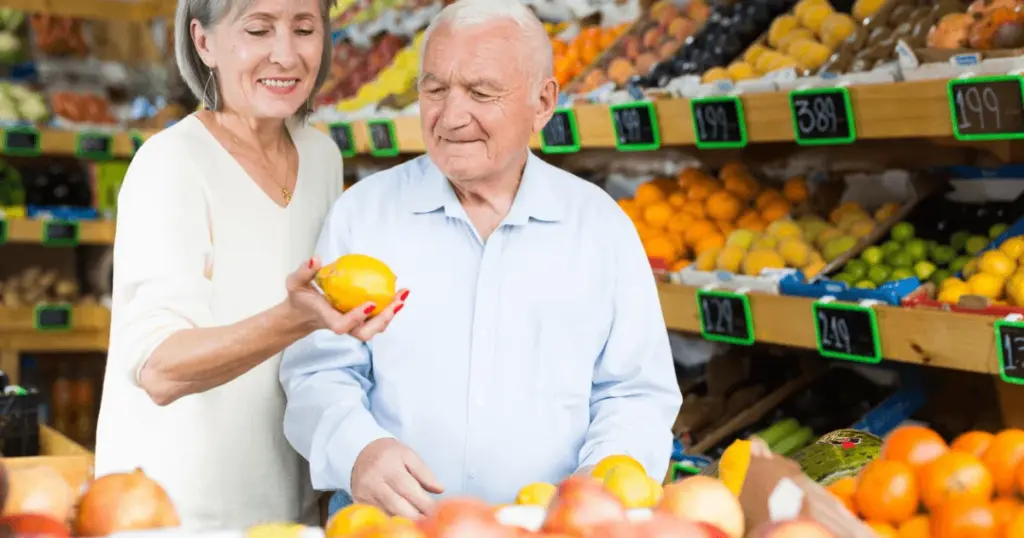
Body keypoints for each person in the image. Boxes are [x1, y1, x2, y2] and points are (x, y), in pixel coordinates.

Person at [280, 0, 683, 519]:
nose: (450, 116)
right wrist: (357, 450)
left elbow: (634, 394)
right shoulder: (364, 214)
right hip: (388, 527)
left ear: (542, 103)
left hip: (551, 528)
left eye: (481, 92)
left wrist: (598, 489)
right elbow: (318, 373)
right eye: (435, 89)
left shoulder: (599, 228)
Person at [92, 0, 406, 531]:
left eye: (305, 29)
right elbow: (159, 369)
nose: (285, 55)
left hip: (290, 503)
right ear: (204, 42)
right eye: (258, 29)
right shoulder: (172, 165)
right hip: (177, 511)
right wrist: (296, 318)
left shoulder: (321, 156)